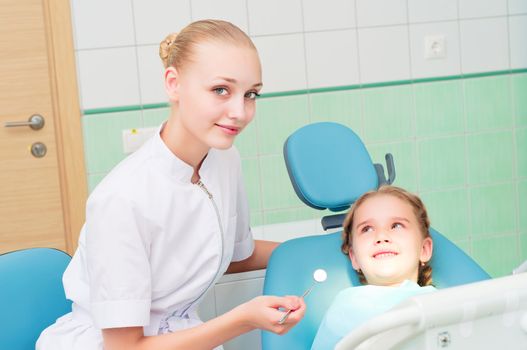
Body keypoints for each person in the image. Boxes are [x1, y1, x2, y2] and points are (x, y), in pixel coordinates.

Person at [37, 19, 306, 350]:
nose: (240, 111)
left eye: (251, 94)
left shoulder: (225, 160)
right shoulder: (122, 199)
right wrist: (242, 319)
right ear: (173, 83)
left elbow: (233, 256)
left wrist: (324, 248)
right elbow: (124, 347)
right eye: (221, 90)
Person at [311, 185, 435, 349]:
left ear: (424, 250)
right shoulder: (345, 308)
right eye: (367, 229)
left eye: (396, 225)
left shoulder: (440, 303)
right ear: (354, 258)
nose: (381, 237)